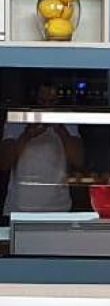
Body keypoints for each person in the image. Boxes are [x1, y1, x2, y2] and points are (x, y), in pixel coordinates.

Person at [0, 84, 84, 215]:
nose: (47, 107)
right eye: (42, 101)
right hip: (19, 208)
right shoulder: (18, 119)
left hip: (58, 208)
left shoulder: (67, 119)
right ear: (34, 100)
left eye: (52, 102)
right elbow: (4, 163)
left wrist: (61, 130)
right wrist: (27, 135)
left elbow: (78, 160)